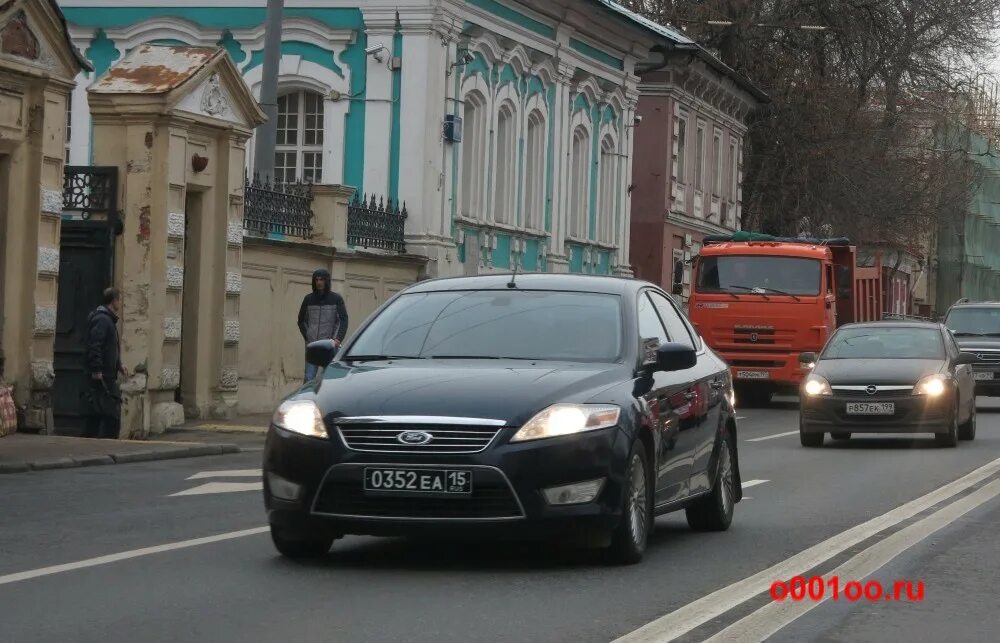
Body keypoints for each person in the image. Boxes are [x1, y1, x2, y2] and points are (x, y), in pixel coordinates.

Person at [83, 287, 128, 439]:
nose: (120, 303)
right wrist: (96, 369)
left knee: (98, 411)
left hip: (107, 372)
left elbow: (110, 347)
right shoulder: (103, 319)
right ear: (114, 301)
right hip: (102, 375)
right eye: (119, 300)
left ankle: (90, 440)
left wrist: (119, 364)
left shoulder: (107, 319)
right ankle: (108, 442)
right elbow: (95, 345)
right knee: (111, 414)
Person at [297, 269, 349, 381]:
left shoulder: (336, 299)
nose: (319, 282)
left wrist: (337, 339)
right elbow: (301, 320)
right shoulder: (308, 299)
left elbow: (343, 320)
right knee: (309, 378)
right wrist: (308, 337)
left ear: (327, 281)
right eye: (316, 280)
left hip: (329, 346)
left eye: (321, 279)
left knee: (330, 379)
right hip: (313, 345)